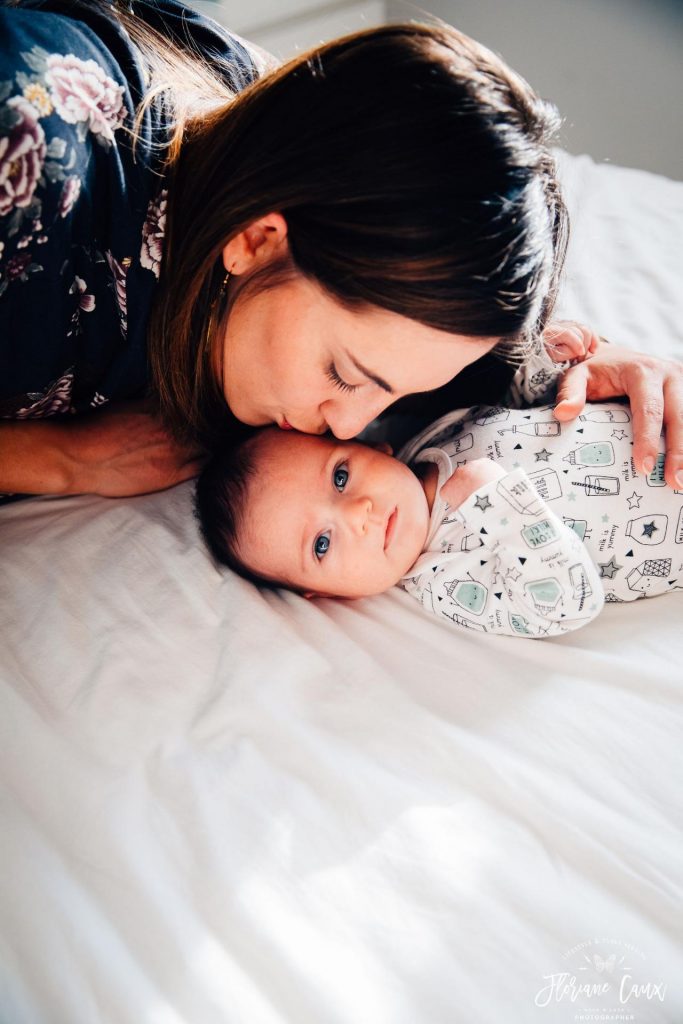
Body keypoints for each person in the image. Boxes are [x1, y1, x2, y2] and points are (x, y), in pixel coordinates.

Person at [2, 1, 682, 501]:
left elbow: (436, 352)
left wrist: (576, 365)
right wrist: (53, 460)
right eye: (341, 374)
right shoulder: (28, 160)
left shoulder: (323, 164)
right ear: (255, 238)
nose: (347, 427)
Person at [195, 394, 683, 638]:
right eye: (322, 544)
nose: (359, 514)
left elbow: (520, 403)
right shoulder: (446, 580)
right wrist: (499, 500)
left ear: (367, 444)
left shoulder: (429, 437)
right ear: (324, 594)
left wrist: (554, 362)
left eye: (341, 477)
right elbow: (565, 603)